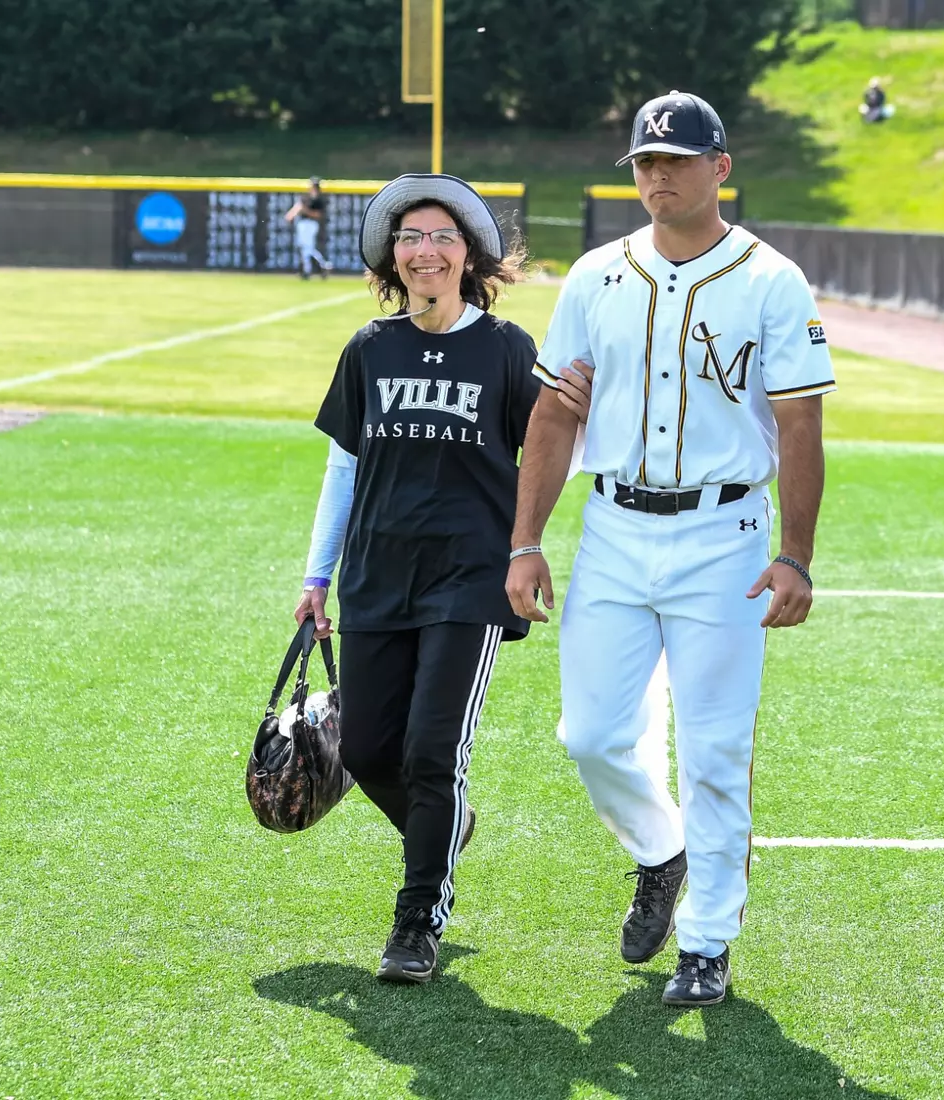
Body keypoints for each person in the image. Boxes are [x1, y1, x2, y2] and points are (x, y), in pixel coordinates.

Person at [506, 90, 834, 1008]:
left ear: (719, 168)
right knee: (592, 735)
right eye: (645, 163)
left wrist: (797, 554)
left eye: (676, 161)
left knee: (718, 748)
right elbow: (553, 412)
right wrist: (525, 540)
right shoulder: (596, 273)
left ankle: (708, 940)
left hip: (725, 534)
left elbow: (800, 426)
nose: (657, 176)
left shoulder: (773, 279)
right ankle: (662, 848)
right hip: (611, 527)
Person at [295, 173, 591, 985]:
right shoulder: (369, 348)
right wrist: (317, 575)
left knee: (432, 750)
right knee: (362, 747)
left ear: (470, 254)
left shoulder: (505, 349)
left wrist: (527, 542)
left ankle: (416, 921)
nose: (426, 250)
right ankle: (444, 826)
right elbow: (343, 468)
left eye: (443, 236)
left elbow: (548, 449)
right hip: (377, 575)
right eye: (411, 237)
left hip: (469, 579)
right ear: (393, 256)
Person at [285, 177, 333, 279]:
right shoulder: (306, 197)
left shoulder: (319, 200)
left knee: (307, 247)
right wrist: (291, 214)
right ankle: (321, 266)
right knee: (305, 247)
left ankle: (309, 270)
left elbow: (318, 215)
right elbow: (298, 206)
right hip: (302, 223)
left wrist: (305, 211)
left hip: (311, 224)